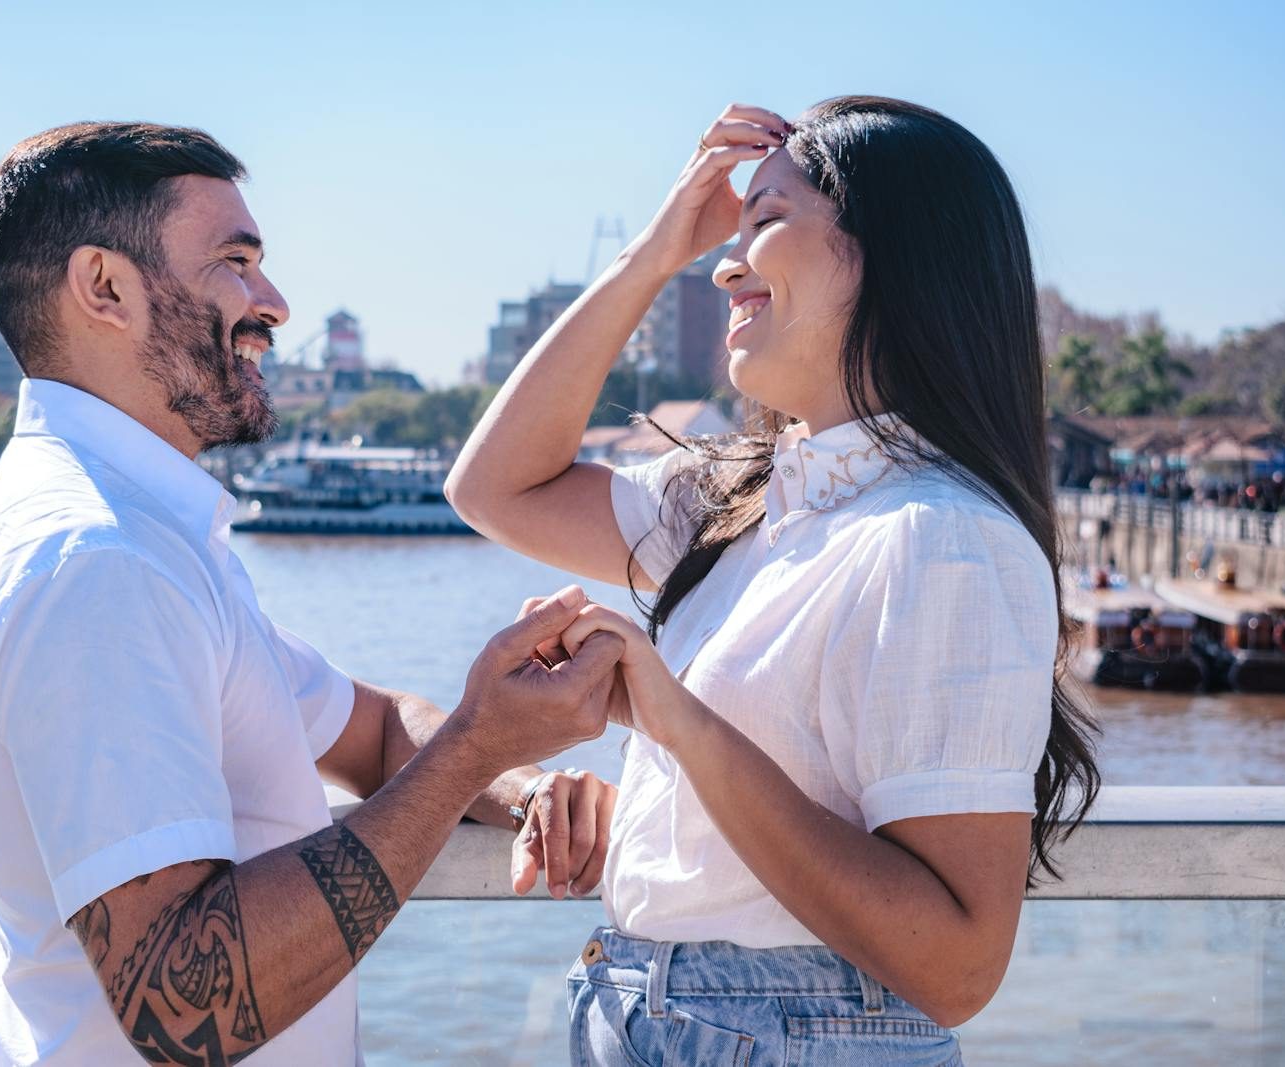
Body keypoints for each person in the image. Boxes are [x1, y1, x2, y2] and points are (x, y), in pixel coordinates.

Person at [0, 122, 626, 1065]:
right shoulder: (95, 567)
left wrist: (525, 786)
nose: (274, 303)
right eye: (235, 263)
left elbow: (369, 731)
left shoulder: (149, 544)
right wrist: (472, 747)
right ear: (104, 288)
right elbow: (181, 1003)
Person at [447, 97, 1103, 1064]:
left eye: (766, 222)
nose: (724, 260)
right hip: (640, 1007)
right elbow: (495, 486)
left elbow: (958, 963)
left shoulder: (944, 540)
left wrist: (673, 717)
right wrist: (656, 249)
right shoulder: (743, 504)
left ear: (895, 252)